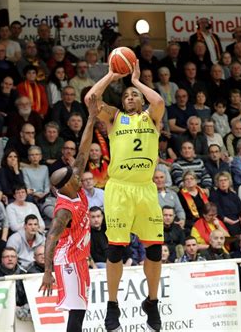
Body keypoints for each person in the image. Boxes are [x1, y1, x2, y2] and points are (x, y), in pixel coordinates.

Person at [84, 60, 164, 331]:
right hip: (119, 189)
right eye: (126, 94)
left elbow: (159, 101)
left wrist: (137, 81)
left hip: (145, 189)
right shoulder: (115, 117)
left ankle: (152, 303)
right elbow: (90, 99)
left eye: (135, 95)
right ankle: (112, 305)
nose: (130, 97)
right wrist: (110, 75)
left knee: (154, 251)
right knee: (116, 250)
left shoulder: (152, 117)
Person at [39, 92, 97, 332]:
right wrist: (47, 272)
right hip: (67, 261)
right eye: (74, 175)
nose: (78, 172)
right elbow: (51, 237)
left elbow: (83, 149)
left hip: (79, 256)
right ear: (67, 184)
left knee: (81, 307)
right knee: (77, 310)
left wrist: (92, 118)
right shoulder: (63, 210)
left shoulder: (76, 187)